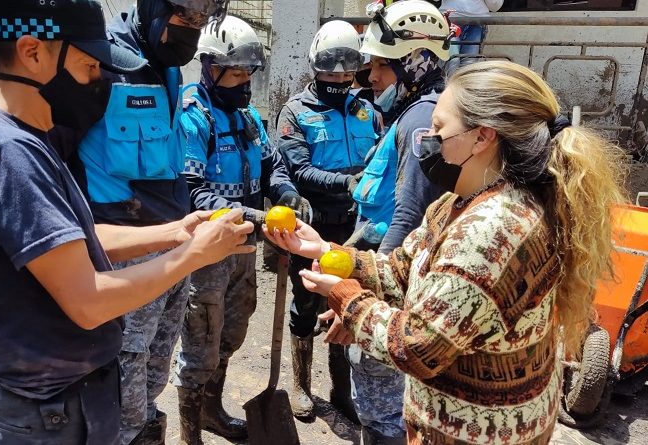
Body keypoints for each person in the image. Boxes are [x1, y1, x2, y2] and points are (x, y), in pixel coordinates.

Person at [0, 1, 254, 444]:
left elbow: (72, 239)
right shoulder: (7, 154)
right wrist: (191, 255)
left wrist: (173, 232)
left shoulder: (17, 140)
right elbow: (87, 302)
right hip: (50, 415)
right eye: (88, 66)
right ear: (32, 52)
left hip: (64, 402)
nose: (96, 83)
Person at [267, 59, 625, 445]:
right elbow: (405, 270)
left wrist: (349, 301)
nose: (426, 139)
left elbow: (418, 347)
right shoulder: (457, 202)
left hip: (481, 434)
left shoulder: (494, 230)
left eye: (438, 128)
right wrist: (327, 250)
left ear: (482, 137)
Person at [66, 0, 229, 443]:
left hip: (172, 237)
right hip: (123, 246)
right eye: (185, 18)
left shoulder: (170, 70)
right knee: (124, 360)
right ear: (153, 7)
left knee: (158, 353)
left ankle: (142, 422)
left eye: (201, 21)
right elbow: (59, 153)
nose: (192, 32)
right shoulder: (101, 65)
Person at [170, 16, 310, 443]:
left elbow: (271, 166)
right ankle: (190, 433)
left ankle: (212, 411)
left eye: (249, 73)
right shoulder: (195, 116)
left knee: (232, 330)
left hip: (244, 251)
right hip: (208, 252)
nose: (245, 81)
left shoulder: (248, 114)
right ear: (211, 69)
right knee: (201, 340)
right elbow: (193, 192)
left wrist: (286, 195)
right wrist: (256, 218)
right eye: (236, 72)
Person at [343, 3, 456, 443]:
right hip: (395, 267)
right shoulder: (424, 111)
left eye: (379, 67)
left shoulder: (418, 121)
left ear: (413, 63)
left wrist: (370, 290)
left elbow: (408, 215)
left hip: (394, 276)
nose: (370, 77)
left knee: (382, 406)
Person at [275, 19, 381, 421]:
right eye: (330, 68)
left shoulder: (367, 111)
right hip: (312, 224)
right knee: (305, 304)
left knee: (345, 302)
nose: (339, 75)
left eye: (347, 68)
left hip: (357, 227)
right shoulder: (295, 112)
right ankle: (301, 385)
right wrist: (347, 181)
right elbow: (298, 170)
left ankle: (341, 389)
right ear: (314, 65)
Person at [440, 0, 503, 74]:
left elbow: (495, 7)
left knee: (468, 66)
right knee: (452, 62)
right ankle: (450, 85)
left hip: (476, 24)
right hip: (450, 22)